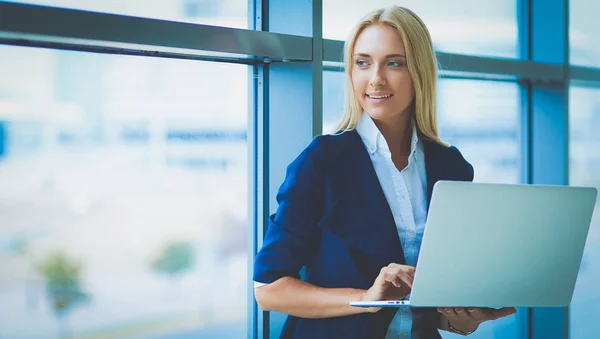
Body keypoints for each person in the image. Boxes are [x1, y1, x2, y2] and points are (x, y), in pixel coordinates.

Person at [252, 5, 516, 339]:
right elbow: (269, 288)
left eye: (394, 63)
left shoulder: (450, 166)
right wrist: (365, 299)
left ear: (418, 71)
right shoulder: (323, 161)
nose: (375, 78)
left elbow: (428, 295)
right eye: (363, 62)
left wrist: (457, 319)